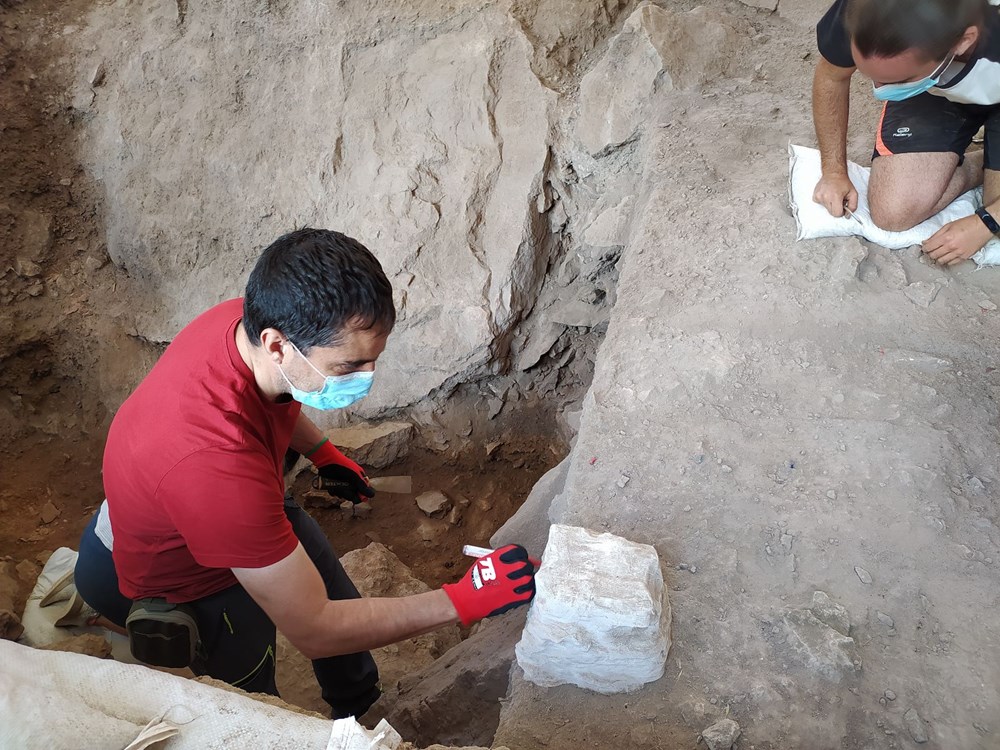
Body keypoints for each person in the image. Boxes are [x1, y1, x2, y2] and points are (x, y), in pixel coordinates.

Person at [74, 228, 536, 718]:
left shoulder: (245, 322)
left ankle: (359, 707)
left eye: (371, 361)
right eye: (347, 366)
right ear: (277, 345)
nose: (364, 378)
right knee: (251, 680)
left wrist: (324, 453)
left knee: (325, 574)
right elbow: (314, 630)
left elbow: (281, 397)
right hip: (185, 576)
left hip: (210, 501)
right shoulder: (217, 466)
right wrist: (463, 599)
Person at [812, 0, 1000, 265]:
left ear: (962, 40)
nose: (879, 90)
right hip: (935, 80)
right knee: (893, 211)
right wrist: (833, 171)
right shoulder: (865, 9)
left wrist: (987, 221)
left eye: (896, 82)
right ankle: (984, 162)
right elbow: (832, 75)